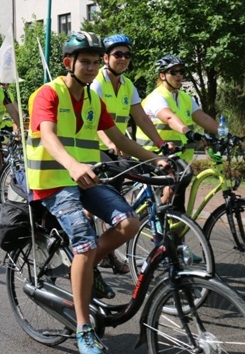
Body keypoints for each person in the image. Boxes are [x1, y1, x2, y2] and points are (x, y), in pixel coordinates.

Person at [25, 31, 167, 354]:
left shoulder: (93, 100)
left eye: (93, 62)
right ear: (68, 63)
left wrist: (159, 158)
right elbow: (47, 135)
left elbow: (121, 139)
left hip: (84, 179)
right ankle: (83, 328)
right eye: (84, 61)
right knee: (85, 246)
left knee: (129, 223)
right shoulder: (47, 94)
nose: (90, 68)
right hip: (53, 183)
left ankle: (88, 268)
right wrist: (72, 165)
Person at [90, 34, 171, 274]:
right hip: (96, 147)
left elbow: (141, 117)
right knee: (106, 203)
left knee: (135, 184)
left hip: (118, 146)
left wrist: (160, 142)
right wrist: (108, 141)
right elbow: (94, 117)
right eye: (118, 54)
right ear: (105, 58)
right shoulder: (96, 83)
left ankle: (107, 249)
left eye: (126, 55)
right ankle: (95, 250)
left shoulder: (127, 85)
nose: (123, 59)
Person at [135, 54, 219, 208]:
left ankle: (173, 225)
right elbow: (169, 118)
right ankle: (158, 208)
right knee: (182, 177)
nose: (179, 75)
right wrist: (189, 132)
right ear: (162, 75)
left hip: (176, 158)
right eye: (173, 72)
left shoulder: (185, 98)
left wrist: (225, 134)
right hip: (153, 155)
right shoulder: (157, 97)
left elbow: (203, 118)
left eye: (181, 71)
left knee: (179, 211)